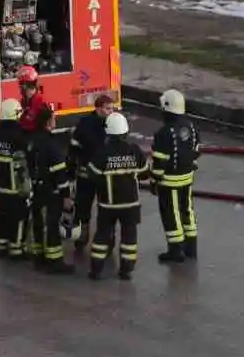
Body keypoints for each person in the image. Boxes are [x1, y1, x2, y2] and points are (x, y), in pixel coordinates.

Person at [86, 111, 148, 281]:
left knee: (102, 235)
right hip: (131, 204)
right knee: (129, 236)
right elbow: (145, 173)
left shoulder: (102, 152)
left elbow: (92, 174)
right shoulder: (134, 150)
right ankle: (126, 269)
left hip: (108, 204)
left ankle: (96, 269)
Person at [150, 89, 202, 263]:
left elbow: (159, 162)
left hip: (169, 181)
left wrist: (154, 180)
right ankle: (191, 247)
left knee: (171, 214)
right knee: (187, 210)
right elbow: (196, 151)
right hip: (187, 177)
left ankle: (175, 250)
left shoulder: (163, 133)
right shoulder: (192, 127)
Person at [26, 106, 75, 274]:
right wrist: (66, 196)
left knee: (38, 223)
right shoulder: (53, 145)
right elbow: (60, 174)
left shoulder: (33, 142)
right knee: (52, 225)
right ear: (48, 122)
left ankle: (39, 256)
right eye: (54, 118)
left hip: (36, 189)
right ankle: (55, 261)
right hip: (51, 191)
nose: (56, 121)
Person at [69, 93, 115, 251]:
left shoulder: (112, 123)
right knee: (83, 208)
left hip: (99, 174)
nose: (111, 112)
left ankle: (105, 240)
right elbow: (74, 148)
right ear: (98, 108)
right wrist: (71, 171)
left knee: (104, 209)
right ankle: (81, 238)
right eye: (108, 108)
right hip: (87, 174)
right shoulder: (86, 124)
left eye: (112, 108)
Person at [0, 99, 31, 259]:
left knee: (3, 216)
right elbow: (26, 160)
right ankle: (16, 249)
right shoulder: (19, 135)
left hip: (0, 184)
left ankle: (2, 246)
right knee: (19, 216)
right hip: (16, 186)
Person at [16, 65, 47, 134]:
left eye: (21, 84)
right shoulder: (25, 99)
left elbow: (29, 121)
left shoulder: (37, 100)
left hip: (35, 136)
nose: (20, 88)